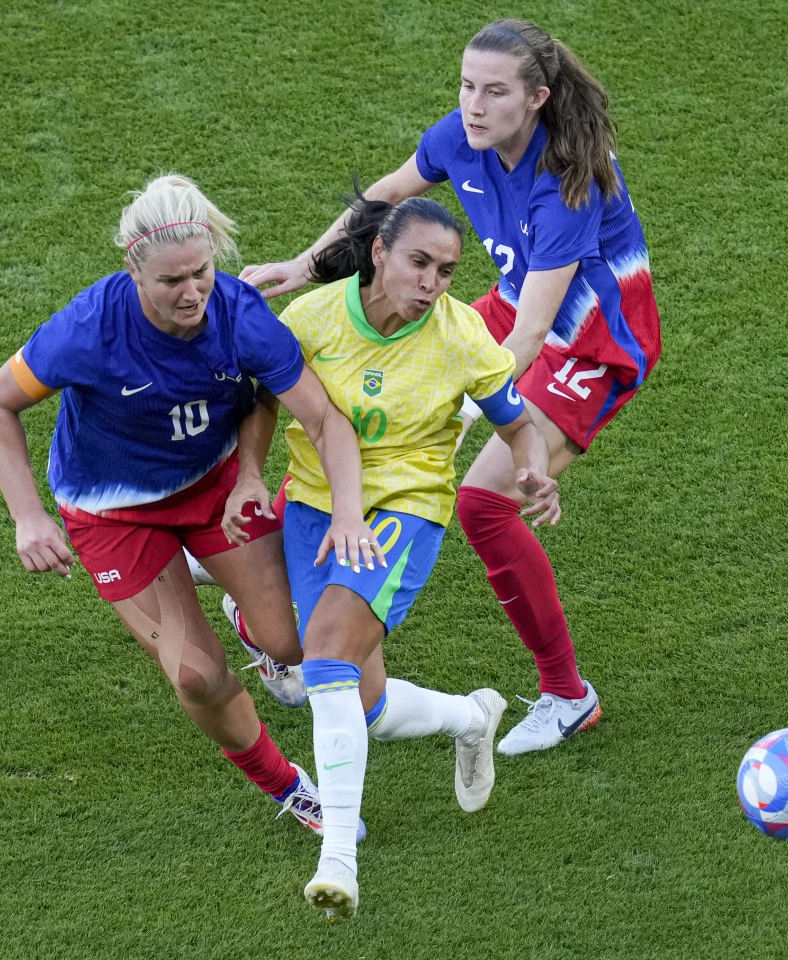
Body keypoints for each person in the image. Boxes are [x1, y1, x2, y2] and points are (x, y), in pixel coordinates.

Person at [240, 19, 661, 756]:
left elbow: (531, 334)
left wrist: (459, 410)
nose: (474, 104)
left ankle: (568, 694)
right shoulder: (462, 137)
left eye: (494, 92)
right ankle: (287, 613)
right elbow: (385, 201)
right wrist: (303, 266)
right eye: (467, 86)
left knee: (485, 504)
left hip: (590, 340)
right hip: (517, 301)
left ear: (536, 98)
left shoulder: (569, 183)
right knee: (359, 413)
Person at [0, 174, 382, 837]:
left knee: (292, 640)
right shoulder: (88, 329)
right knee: (196, 675)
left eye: (201, 273)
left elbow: (321, 419)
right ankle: (289, 786)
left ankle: (254, 630)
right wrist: (27, 515)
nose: (193, 292)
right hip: (113, 514)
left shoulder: (239, 313)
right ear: (133, 270)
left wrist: (277, 483)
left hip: (212, 489)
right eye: (172, 282)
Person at [271, 189, 559, 920]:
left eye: (448, 270)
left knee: (327, 658)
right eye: (419, 263)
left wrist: (534, 467)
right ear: (379, 254)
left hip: (404, 508)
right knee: (358, 703)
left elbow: (518, 424)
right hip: (312, 506)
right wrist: (246, 474)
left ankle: (338, 858)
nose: (432, 283)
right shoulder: (312, 318)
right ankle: (470, 717)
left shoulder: (462, 338)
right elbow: (260, 401)